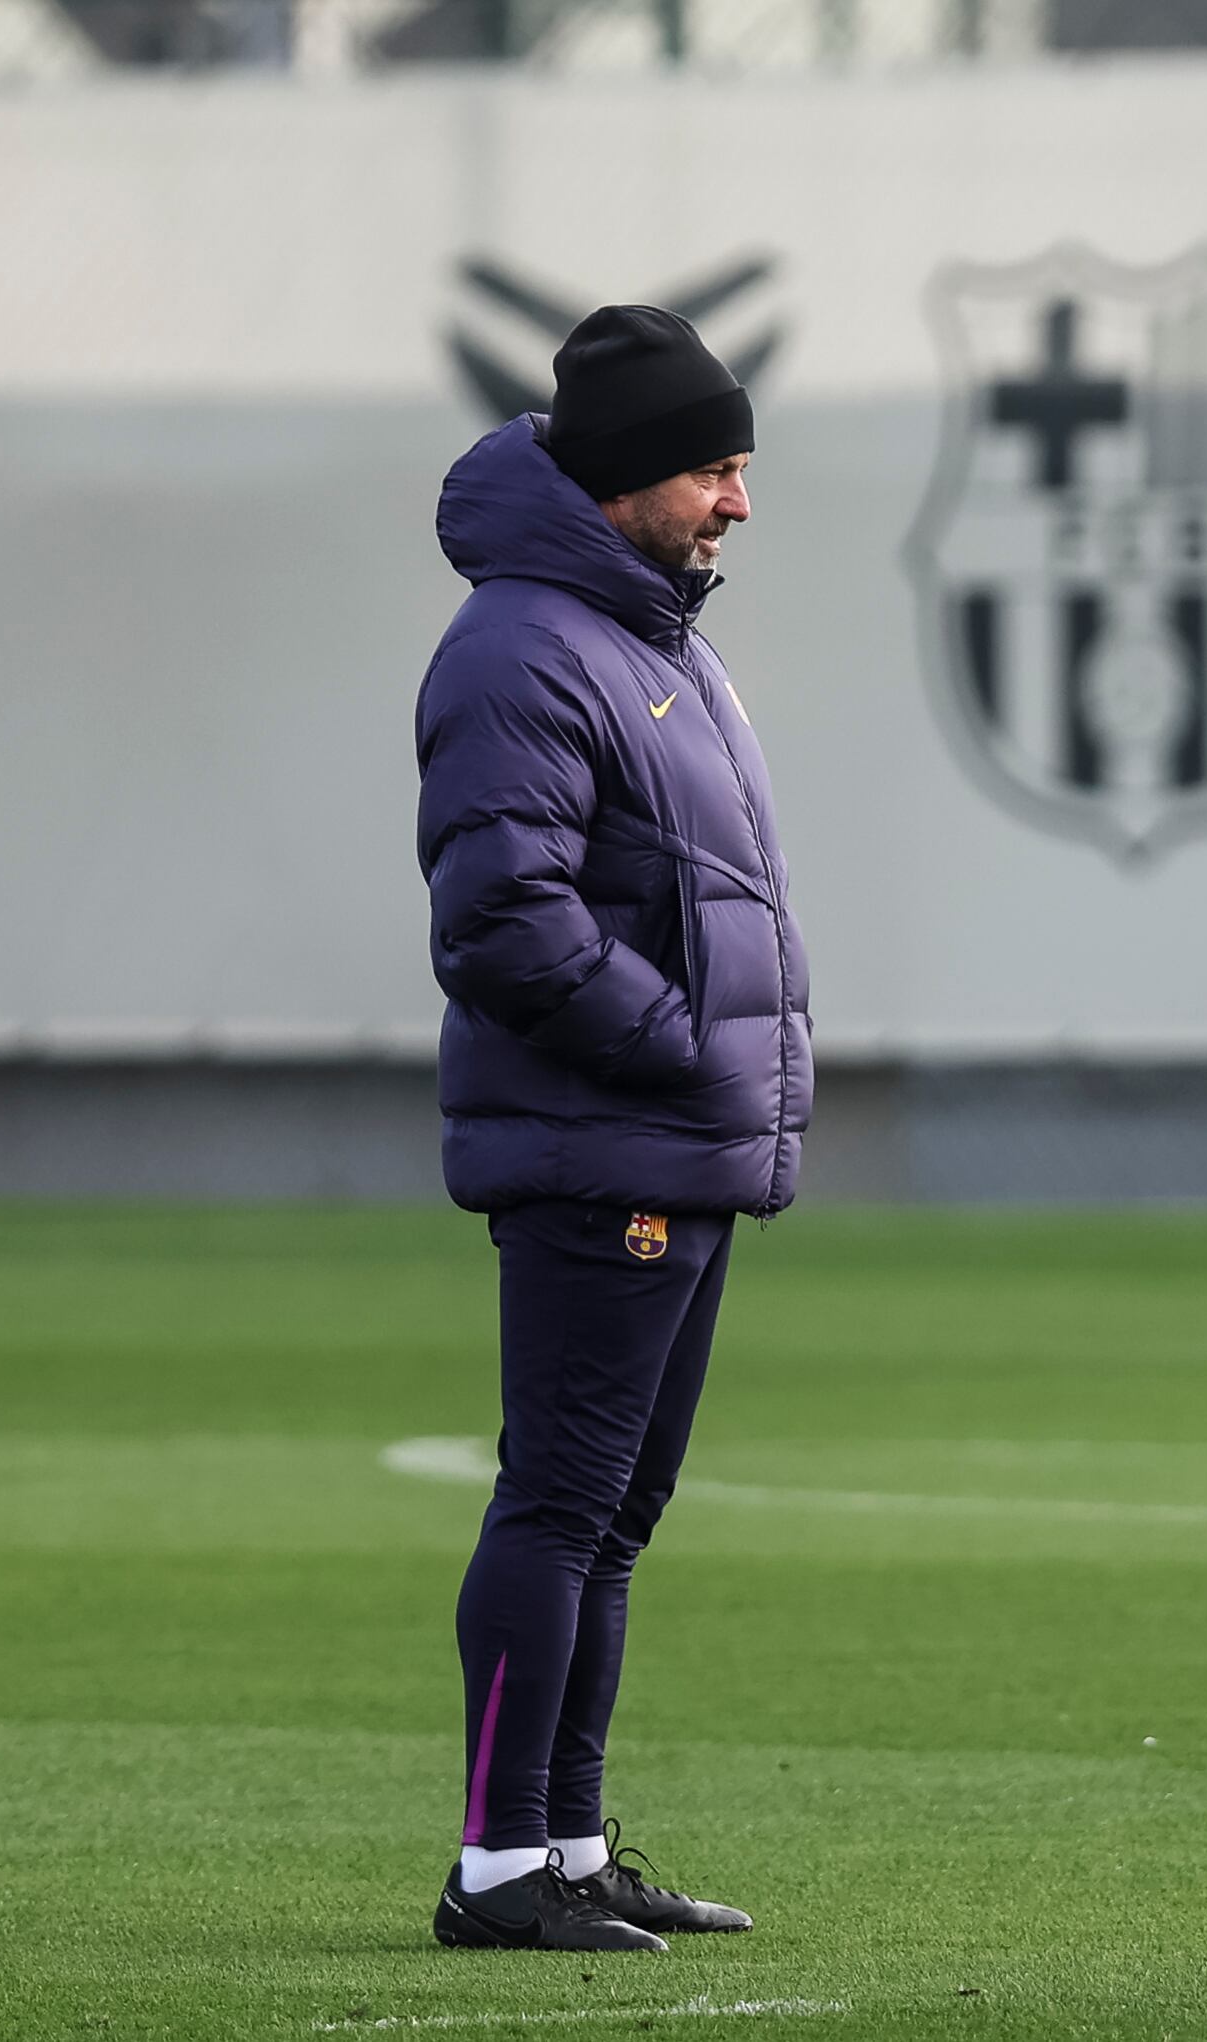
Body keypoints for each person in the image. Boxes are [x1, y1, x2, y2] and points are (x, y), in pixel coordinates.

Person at [413, 306, 813, 1954]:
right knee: (560, 1503)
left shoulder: (658, 642)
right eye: (715, 466)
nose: (737, 499)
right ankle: (501, 1863)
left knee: (613, 1514)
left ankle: (568, 1842)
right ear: (631, 475)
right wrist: (671, 1053)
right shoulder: (523, 646)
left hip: (670, 1144)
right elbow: (503, 920)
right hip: (607, 1148)